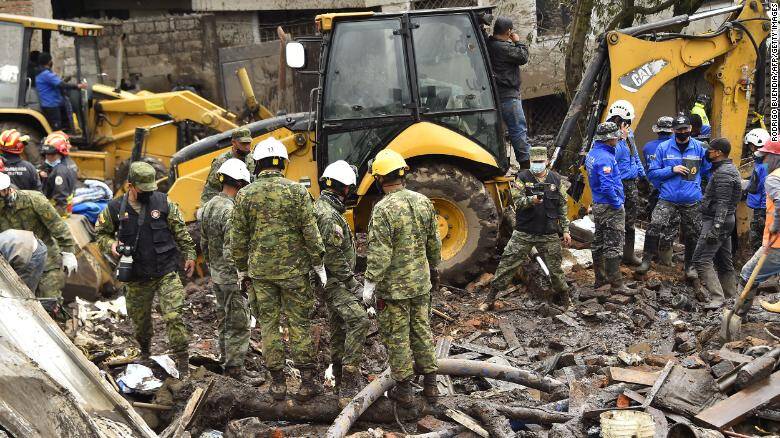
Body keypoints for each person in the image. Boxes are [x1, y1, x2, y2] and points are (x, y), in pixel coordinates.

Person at [230, 137, 326, 401]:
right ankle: (306, 384)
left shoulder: (244, 195)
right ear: (283, 162)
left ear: (257, 163)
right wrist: (318, 263)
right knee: (299, 324)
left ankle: (278, 385)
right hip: (294, 272)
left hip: (261, 274)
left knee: (269, 325)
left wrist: (241, 270)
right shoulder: (297, 192)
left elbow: (237, 239)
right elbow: (311, 231)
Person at [95, 162, 196, 378]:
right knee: (140, 323)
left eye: (151, 188)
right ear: (130, 185)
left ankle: (183, 360)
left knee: (173, 316)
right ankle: (145, 352)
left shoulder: (163, 202)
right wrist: (110, 245)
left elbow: (180, 231)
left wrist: (189, 254)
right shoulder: (114, 209)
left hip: (166, 271)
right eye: (143, 189)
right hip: (136, 277)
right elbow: (101, 234)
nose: (148, 192)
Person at [361, 149, 441, 408]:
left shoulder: (383, 209)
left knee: (397, 337)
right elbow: (434, 242)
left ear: (379, 178)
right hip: (420, 283)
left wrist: (370, 284)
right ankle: (431, 386)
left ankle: (404, 390)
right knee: (422, 331)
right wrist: (434, 269)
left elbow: (379, 253)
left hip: (394, 290)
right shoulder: (422, 201)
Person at [481, 146, 571, 310]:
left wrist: (565, 230)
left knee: (555, 268)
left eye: (540, 162)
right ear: (530, 162)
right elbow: (516, 201)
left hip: (548, 232)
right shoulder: (522, 178)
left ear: (547, 162)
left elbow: (563, 207)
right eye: (534, 162)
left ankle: (566, 300)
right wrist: (531, 201)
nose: (537, 165)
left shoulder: (556, 180)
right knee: (507, 263)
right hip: (524, 231)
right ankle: (489, 299)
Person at [199, 158, 261, 383]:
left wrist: (212, 267)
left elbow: (204, 244)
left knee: (224, 320)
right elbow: (232, 251)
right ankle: (235, 371)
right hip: (231, 278)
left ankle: (226, 361)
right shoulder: (231, 211)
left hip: (217, 275)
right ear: (241, 183)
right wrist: (243, 276)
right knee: (239, 322)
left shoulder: (208, 207)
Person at [314, 160, 369, 399]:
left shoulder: (326, 209)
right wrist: (352, 283)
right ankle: (349, 379)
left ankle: (337, 377)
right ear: (345, 188)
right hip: (334, 282)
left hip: (332, 280)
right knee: (359, 320)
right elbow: (332, 256)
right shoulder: (328, 216)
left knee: (337, 328)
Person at [637, 114, 710, 280]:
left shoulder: (700, 148)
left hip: (691, 199)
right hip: (668, 197)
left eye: (685, 129)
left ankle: (690, 266)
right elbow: (652, 173)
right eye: (679, 130)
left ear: (690, 129)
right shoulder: (663, 148)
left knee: (693, 233)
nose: (682, 132)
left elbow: (707, 171)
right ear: (673, 130)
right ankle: (646, 261)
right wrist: (672, 170)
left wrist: (703, 190)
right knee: (654, 225)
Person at [0, 172, 77, 301]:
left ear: (6, 190)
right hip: (16, 263)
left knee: (48, 301)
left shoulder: (34, 200)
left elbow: (58, 226)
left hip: (46, 259)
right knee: (19, 302)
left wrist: (68, 253)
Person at [692, 138, 741, 308]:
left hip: (716, 221)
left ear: (719, 152)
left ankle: (717, 298)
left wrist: (716, 228)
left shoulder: (724, 173)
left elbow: (723, 202)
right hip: (725, 221)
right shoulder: (727, 169)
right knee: (723, 260)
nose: (708, 152)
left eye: (711, 150)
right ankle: (733, 297)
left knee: (701, 259)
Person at [739, 140, 780, 315]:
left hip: (776, 242)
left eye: (765, 157)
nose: (763, 162)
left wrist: (775, 226)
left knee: (748, 274)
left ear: (774, 158)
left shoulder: (773, 178)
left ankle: (738, 314)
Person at [585, 122, 626, 291]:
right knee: (613, 245)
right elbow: (607, 186)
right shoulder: (605, 158)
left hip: (598, 204)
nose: (617, 138)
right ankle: (616, 284)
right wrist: (617, 204)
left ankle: (600, 279)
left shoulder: (593, 153)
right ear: (609, 139)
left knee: (599, 242)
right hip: (609, 205)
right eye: (615, 136)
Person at [487, 17, 531, 168]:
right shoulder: (502, 47)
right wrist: (518, 41)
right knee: (518, 130)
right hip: (508, 96)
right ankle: (526, 167)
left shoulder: (490, 44)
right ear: (509, 31)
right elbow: (523, 57)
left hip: (497, 95)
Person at [607, 100, 645, 266]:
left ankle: (628, 254)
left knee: (630, 220)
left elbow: (634, 155)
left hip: (631, 183)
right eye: (626, 122)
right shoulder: (606, 137)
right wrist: (619, 140)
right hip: (617, 183)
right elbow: (609, 157)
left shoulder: (630, 135)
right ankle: (614, 256)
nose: (628, 126)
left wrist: (642, 175)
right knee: (616, 220)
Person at [643, 116, 679, 266]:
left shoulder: (647, 147)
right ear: (672, 131)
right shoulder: (673, 148)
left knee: (654, 222)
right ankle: (666, 258)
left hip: (654, 189)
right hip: (670, 190)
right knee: (671, 224)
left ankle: (651, 256)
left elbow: (648, 169)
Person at [200, 127, 254, 206]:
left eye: (248, 143)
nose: (247, 147)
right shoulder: (221, 161)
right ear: (233, 142)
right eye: (243, 143)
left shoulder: (253, 159)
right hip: (227, 206)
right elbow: (211, 189)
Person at [35, 52, 87, 132]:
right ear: (49, 62)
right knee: (57, 129)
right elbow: (61, 84)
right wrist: (78, 86)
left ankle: (69, 132)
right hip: (51, 105)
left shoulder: (42, 73)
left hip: (53, 103)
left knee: (64, 122)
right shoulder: (46, 74)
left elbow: (57, 83)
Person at [745, 128, 772, 252]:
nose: (751, 149)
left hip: (762, 210)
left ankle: (760, 269)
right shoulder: (761, 162)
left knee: (758, 243)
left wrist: (762, 214)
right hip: (762, 208)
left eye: (751, 146)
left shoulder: (764, 166)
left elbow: (766, 190)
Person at [39, 131, 78, 217]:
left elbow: (61, 197)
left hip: (57, 210)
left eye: (52, 155)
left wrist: (55, 216)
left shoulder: (60, 171)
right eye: (46, 154)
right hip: (64, 208)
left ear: (61, 152)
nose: (47, 157)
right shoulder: (70, 163)